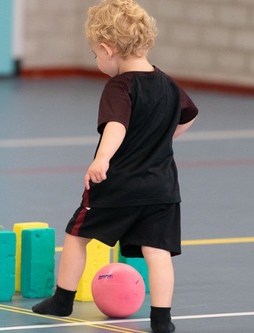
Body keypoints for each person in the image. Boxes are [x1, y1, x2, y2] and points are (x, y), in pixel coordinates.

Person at [31, 1, 199, 333]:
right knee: (158, 252)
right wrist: (161, 139)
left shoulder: (119, 86)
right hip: (162, 187)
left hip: (119, 184)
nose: (96, 59)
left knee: (77, 235)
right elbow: (189, 115)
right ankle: (162, 319)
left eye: (95, 53)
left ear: (108, 50)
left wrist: (102, 159)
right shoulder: (167, 83)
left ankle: (62, 300)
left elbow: (116, 126)